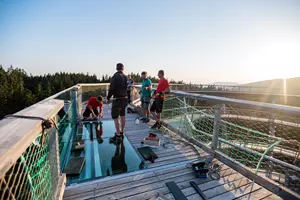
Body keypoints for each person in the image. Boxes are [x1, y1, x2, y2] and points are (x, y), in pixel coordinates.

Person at [107, 63, 128, 143]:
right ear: (123, 68)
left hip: (117, 99)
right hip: (125, 99)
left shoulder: (115, 76)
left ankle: (118, 135)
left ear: (116, 68)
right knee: (123, 116)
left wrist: (108, 97)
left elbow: (112, 88)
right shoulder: (126, 77)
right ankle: (122, 132)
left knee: (116, 117)